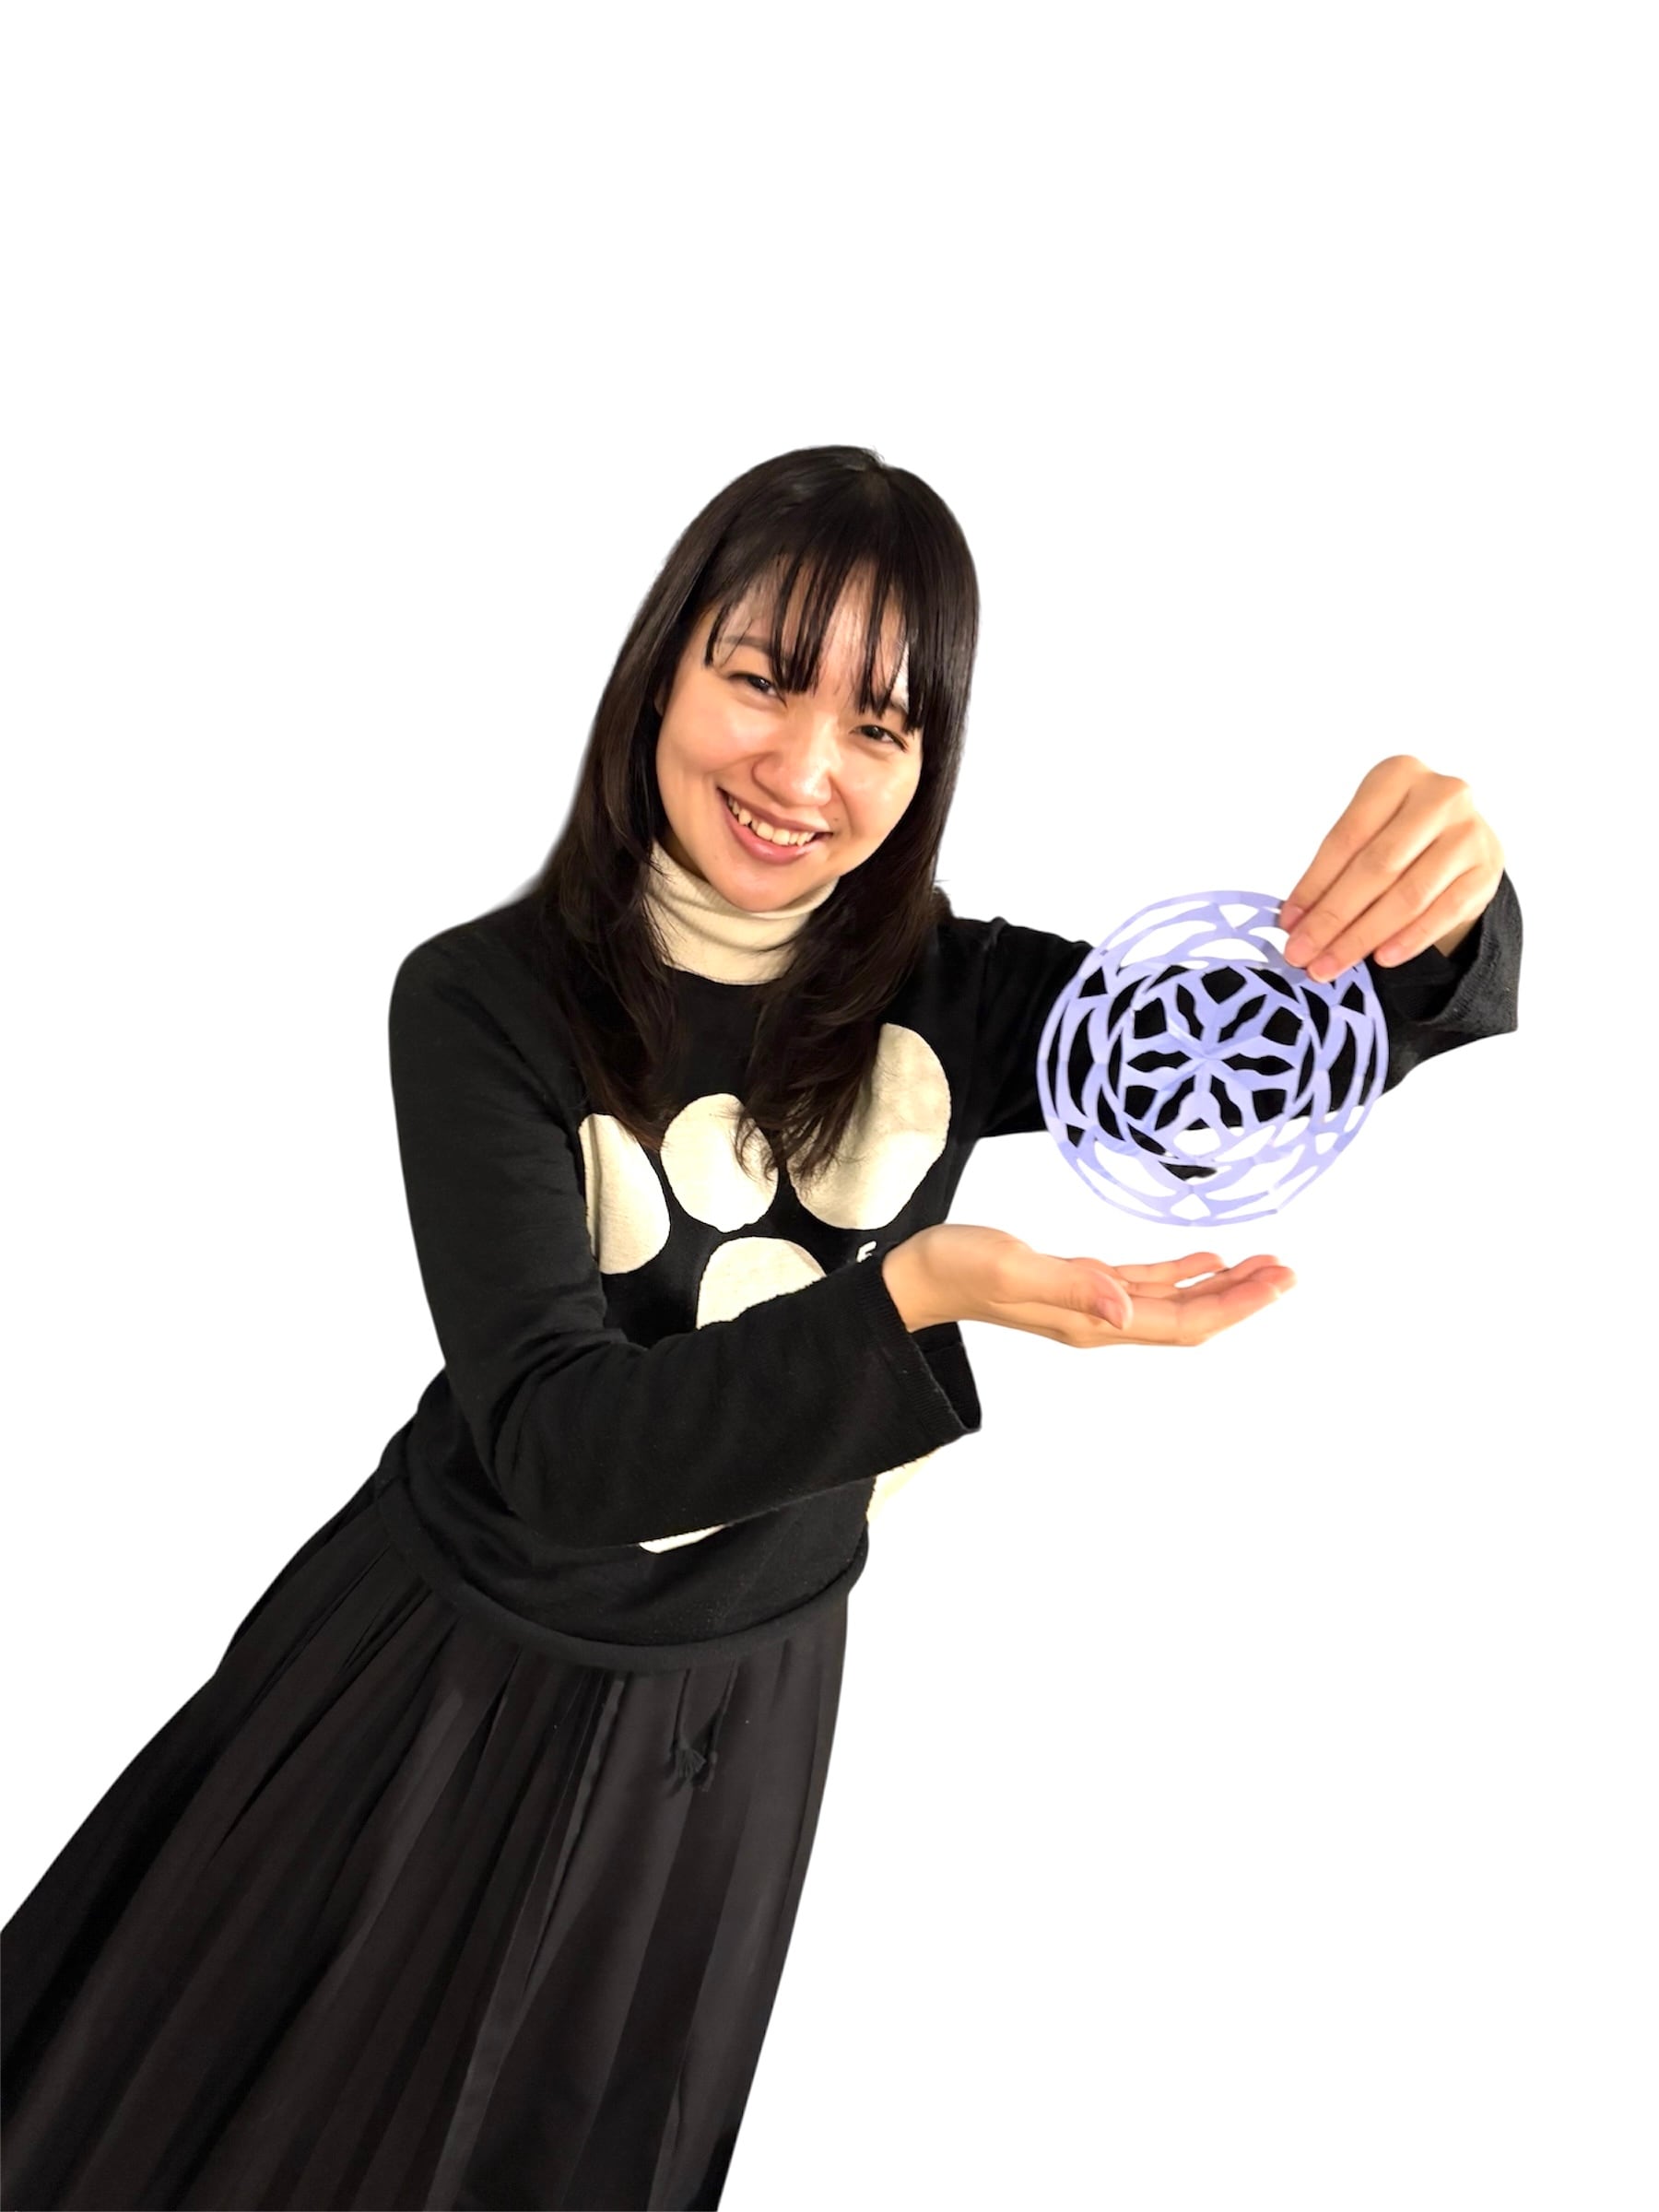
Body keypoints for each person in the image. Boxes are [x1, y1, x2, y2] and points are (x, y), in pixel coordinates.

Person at [0, 444, 1522, 2211]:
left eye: (880, 724)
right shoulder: (482, 1003)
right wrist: (913, 1296)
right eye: (762, 680)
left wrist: (1444, 908)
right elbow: (563, 1449)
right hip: (432, 1691)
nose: (804, 771)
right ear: (663, 671)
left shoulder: (956, 993)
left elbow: (1277, 1047)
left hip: (738, 1727)